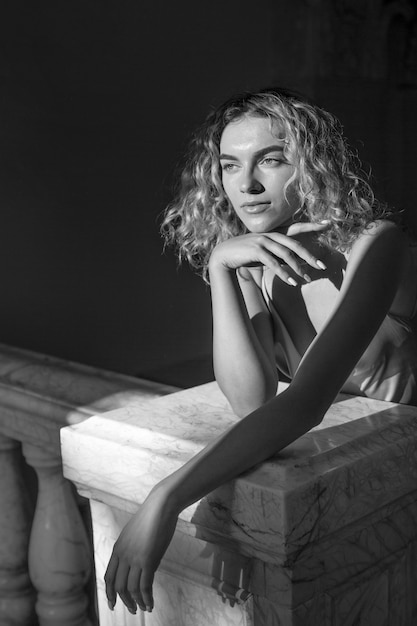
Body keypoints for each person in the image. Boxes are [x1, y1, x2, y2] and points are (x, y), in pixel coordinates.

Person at [104, 87, 417, 614]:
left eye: (271, 160)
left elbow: (304, 403)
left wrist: (166, 498)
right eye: (229, 166)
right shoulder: (252, 256)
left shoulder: (374, 244)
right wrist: (221, 267)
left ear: (314, 165)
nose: (245, 185)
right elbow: (251, 399)